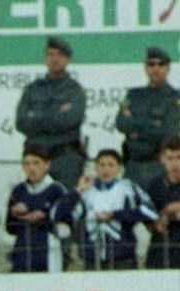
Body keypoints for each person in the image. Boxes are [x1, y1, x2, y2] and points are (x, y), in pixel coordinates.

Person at [15, 36, 87, 189]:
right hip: (37, 159)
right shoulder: (33, 89)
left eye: (60, 55)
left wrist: (36, 117)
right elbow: (21, 122)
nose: (55, 59)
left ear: (68, 60)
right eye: (50, 54)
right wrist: (56, 114)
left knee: (65, 206)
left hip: (65, 158)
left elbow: (70, 120)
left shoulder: (75, 90)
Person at [6, 143, 80, 272]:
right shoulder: (18, 190)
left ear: (47, 165)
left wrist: (44, 217)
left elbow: (67, 226)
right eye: (27, 164)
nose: (31, 168)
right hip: (22, 254)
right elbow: (9, 228)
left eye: (36, 163)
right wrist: (15, 214)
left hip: (48, 254)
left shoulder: (56, 189)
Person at [76, 149, 155, 270]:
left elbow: (151, 212)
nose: (106, 169)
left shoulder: (128, 188)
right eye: (102, 165)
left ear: (119, 168)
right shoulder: (86, 190)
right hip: (92, 259)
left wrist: (115, 215)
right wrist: (77, 191)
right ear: (96, 167)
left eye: (111, 165)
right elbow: (62, 215)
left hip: (123, 258)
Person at [116, 47, 180, 191]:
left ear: (168, 68)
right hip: (133, 165)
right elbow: (121, 124)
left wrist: (136, 126)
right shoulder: (134, 95)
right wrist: (152, 123)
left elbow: (168, 132)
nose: (155, 68)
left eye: (160, 64)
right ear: (145, 68)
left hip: (159, 166)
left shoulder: (175, 98)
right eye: (151, 64)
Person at [145, 134, 180, 268]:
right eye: (170, 158)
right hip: (161, 252)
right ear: (162, 159)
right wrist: (162, 218)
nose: (175, 163)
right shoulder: (156, 185)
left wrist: (170, 209)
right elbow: (149, 221)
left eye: (179, 158)